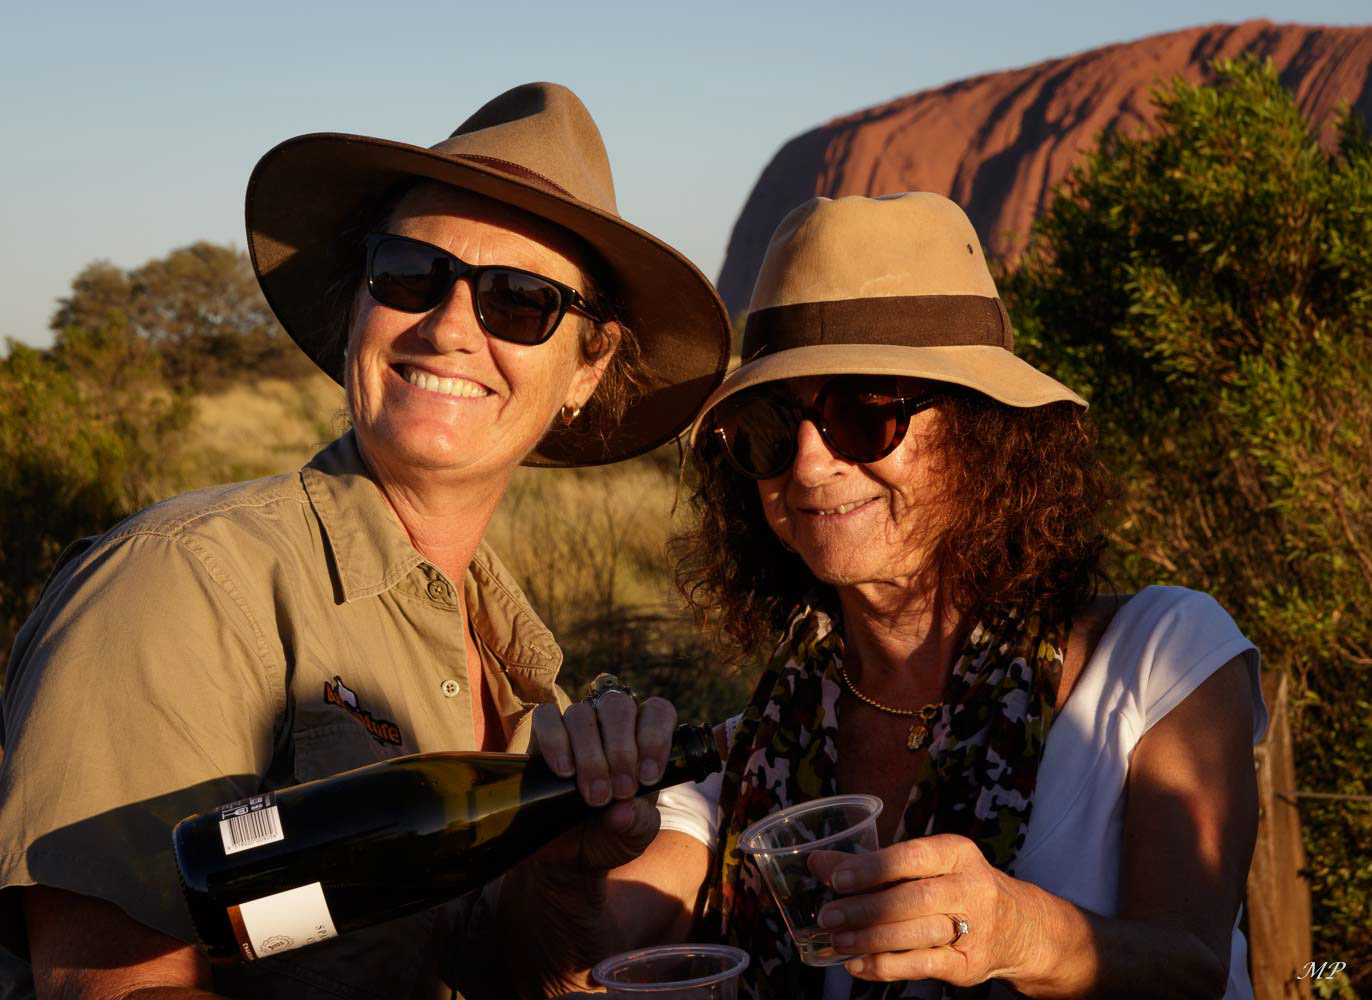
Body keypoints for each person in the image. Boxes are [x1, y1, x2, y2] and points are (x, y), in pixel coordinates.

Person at [0, 82, 729, 1000]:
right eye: (410, 275)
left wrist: (564, 876)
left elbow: (509, 972)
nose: (452, 326)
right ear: (358, 306)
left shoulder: (518, 666)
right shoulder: (183, 585)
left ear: (588, 368)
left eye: (519, 300)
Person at [543, 193, 1266, 998]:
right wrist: (573, 848)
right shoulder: (757, 751)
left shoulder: (1159, 660)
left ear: (984, 432)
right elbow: (581, 957)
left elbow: (1194, 968)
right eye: (770, 431)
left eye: (864, 414)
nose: (810, 466)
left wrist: (1022, 932)